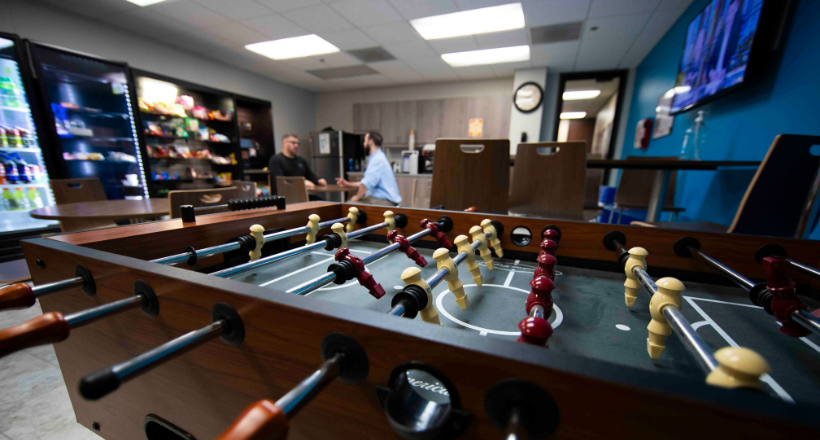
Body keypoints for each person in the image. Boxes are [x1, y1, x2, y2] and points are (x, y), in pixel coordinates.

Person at [336, 132, 401, 206]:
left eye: (365, 141)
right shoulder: (378, 157)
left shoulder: (377, 159)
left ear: (370, 142)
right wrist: (347, 184)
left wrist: (357, 197)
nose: (363, 144)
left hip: (385, 201)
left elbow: (365, 184)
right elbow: (367, 182)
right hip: (381, 199)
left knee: (348, 205)